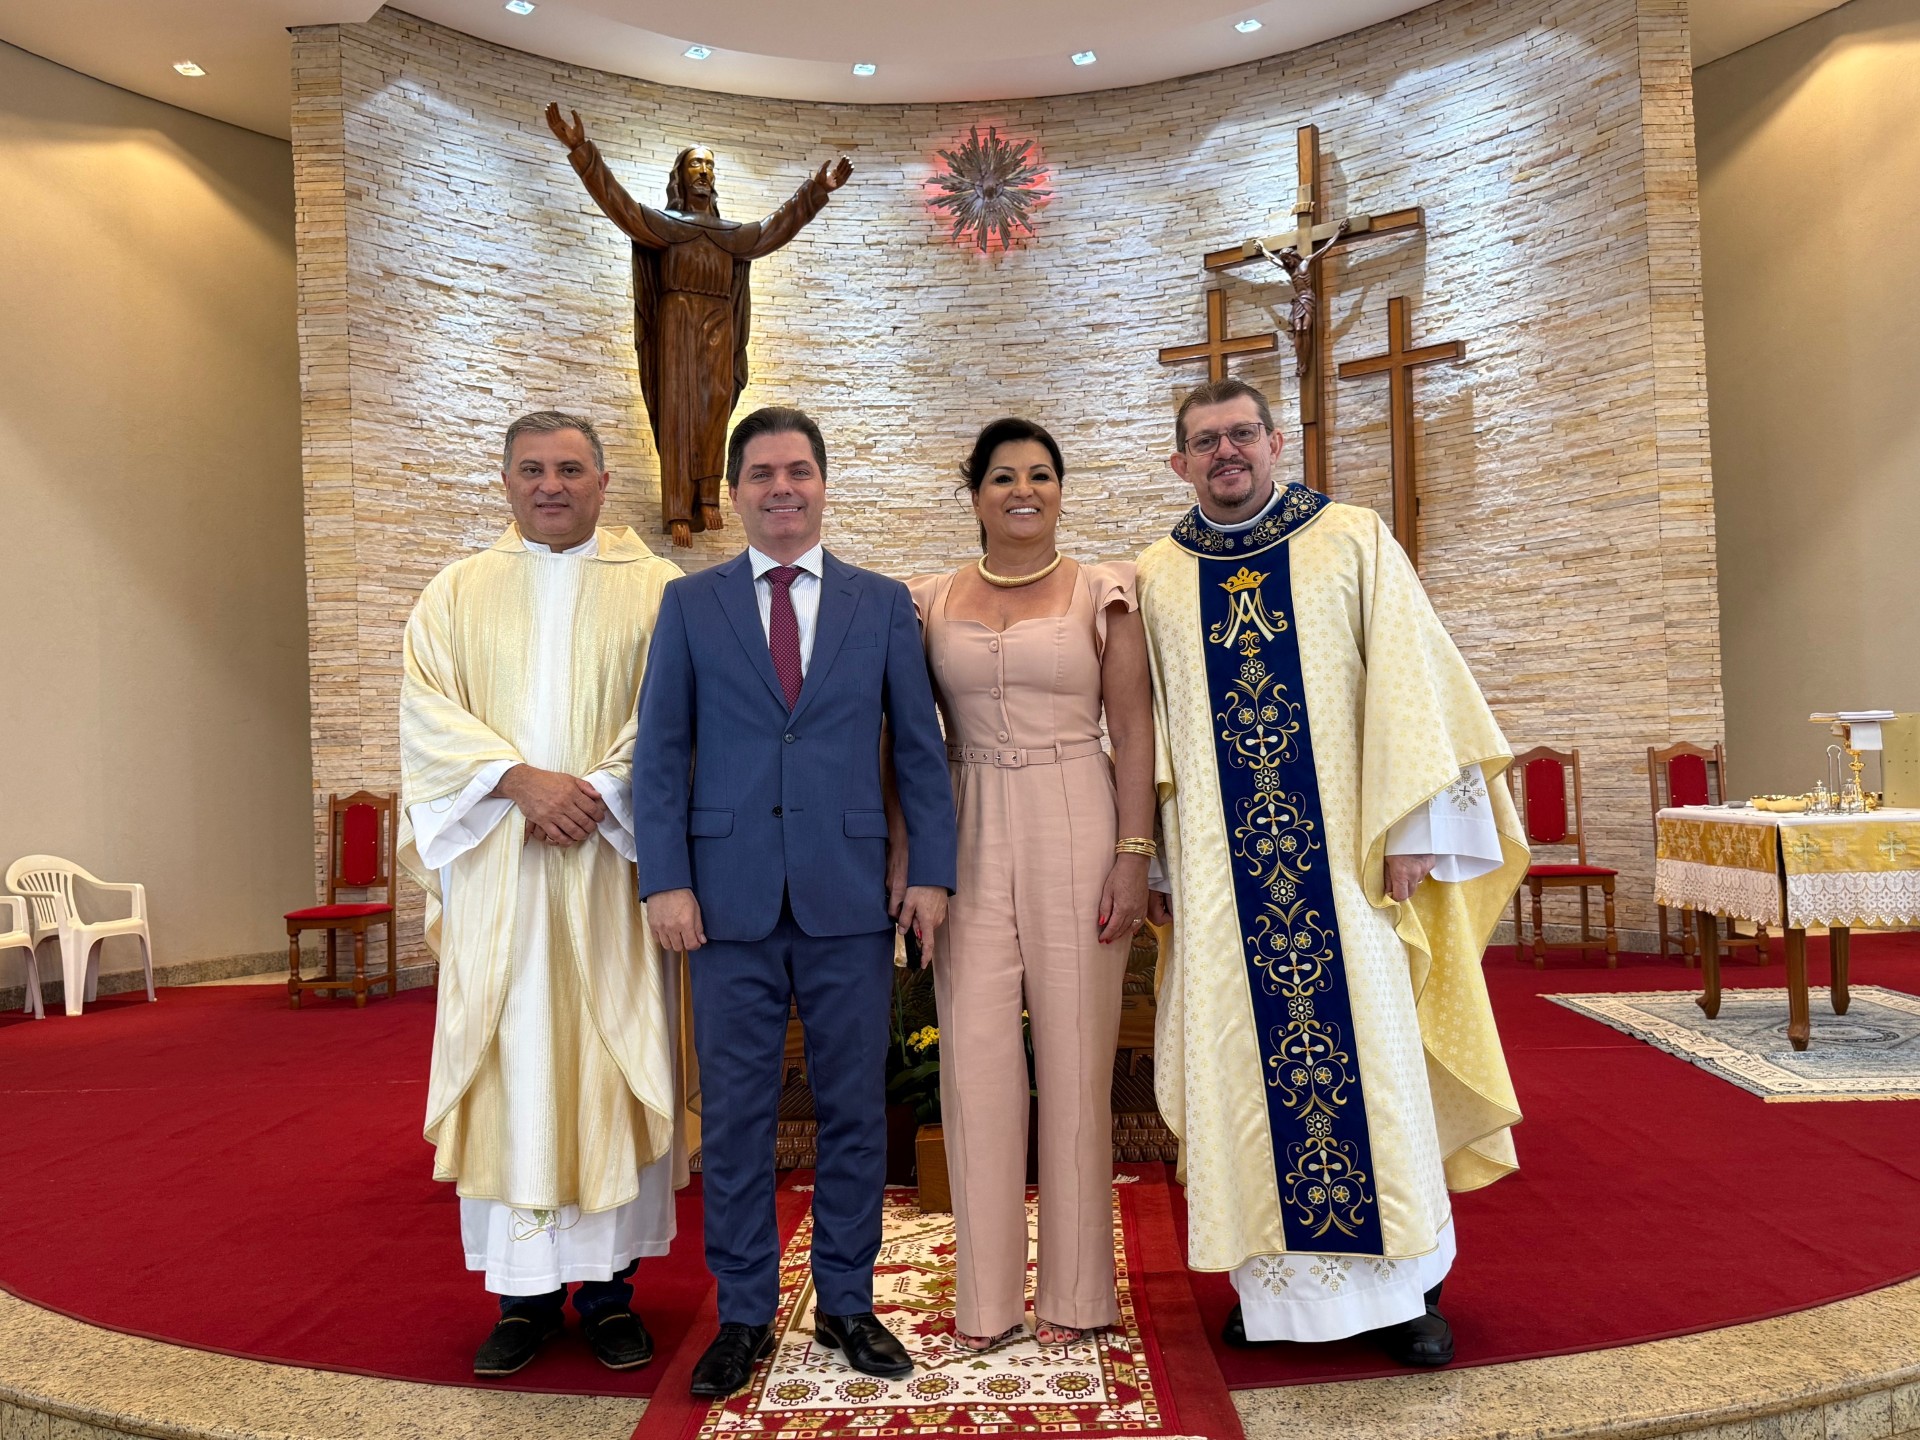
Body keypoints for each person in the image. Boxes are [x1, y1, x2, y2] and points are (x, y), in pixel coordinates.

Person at [1137, 378, 1527, 1366]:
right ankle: (1274, 1299)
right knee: (1240, 1076)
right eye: (1204, 441)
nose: (1226, 453)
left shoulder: (1351, 540)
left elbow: (1411, 687)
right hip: (1226, 893)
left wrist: (1414, 828)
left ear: (1277, 443)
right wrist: (1155, 858)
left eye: (1241, 435)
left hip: (1349, 870)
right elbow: (1150, 733)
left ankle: (1404, 1296)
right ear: (1179, 463)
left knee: (1375, 1069)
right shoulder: (1156, 576)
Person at [633, 406, 958, 1398]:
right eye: (763, 474)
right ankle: (740, 1314)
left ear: (823, 484)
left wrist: (931, 871)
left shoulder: (880, 603)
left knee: (855, 1110)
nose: (782, 488)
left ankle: (848, 1305)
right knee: (734, 1116)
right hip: (724, 903)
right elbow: (662, 757)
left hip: (848, 896)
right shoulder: (690, 608)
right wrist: (668, 879)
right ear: (737, 492)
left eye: (799, 471)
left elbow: (919, 751)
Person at [397, 411, 687, 1377]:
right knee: (516, 1061)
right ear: (506, 480)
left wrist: (598, 792)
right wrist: (521, 783)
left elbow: (678, 717)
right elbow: (428, 717)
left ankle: (608, 1296)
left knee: (607, 1060)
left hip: (611, 874)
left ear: (604, 482)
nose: (550, 484)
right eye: (532, 469)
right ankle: (521, 1300)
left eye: (570, 468)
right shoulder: (455, 593)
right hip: (502, 876)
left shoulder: (657, 592)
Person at [898, 418, 1154, 1352]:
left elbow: (1133, 728)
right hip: (964, 822)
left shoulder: (1104, 590)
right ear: (973, 493)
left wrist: (1135, 853)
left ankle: (1080, 1293)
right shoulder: (926, 601)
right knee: (974, 1060)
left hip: (1078, 813)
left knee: (1080, 1058)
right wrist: (909, 857)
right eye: (1004, 475)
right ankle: (986, 1301)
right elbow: (906, 740)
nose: (1024, 490)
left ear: (1060, 489)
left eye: (1042, 475)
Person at [545, 104, 852, 547]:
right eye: (695, 164)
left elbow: (773, 228)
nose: (704, 172)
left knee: (713, 410)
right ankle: (676, 509)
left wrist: (816, 191)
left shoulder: (730, 236)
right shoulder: (666, 226)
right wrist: (581, 150)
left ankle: (709, 496)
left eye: (709, 165)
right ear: (681, 175)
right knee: (678, 414)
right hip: (676, 324)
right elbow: (619, 204)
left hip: (718, 325)